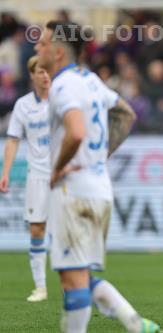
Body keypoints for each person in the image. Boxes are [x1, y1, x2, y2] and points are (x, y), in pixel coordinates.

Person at [35, 21, 159, 332]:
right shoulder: (91, 80)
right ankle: (134, 323)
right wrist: (99, 158)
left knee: (72, 279)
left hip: (72, 192)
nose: (38, 48)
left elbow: (76, 131)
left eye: (44, 43)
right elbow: (126, 113)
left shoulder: (63, 85)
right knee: (80, 275)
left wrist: (59, 166)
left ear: (59, 51)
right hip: (99, 189)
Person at [1, 55, 50, 302]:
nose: (44, 75)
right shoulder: (22, 105)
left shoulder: (63, 100)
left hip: (63, 176)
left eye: (47, 70)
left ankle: (71, 284)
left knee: (68, 232)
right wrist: (5, 172)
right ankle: (40, 287)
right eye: (39, 71)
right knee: (36, 229)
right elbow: (13, 139)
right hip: (37, 176)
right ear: (31, 75)